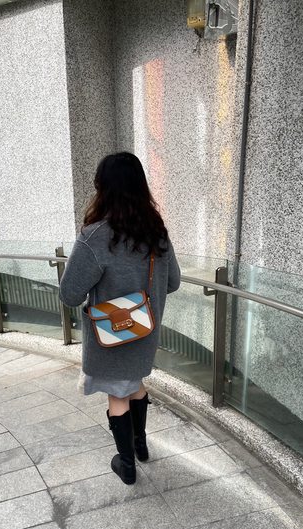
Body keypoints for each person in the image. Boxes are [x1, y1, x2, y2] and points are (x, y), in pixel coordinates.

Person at [59, 152, 180, 485]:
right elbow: (172, 282)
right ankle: (140, 446)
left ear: (103, 189)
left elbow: (69, 294)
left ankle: (126, 465)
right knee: (134, 383)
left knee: (118, 395)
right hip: (144, 330)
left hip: (110, 334)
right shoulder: (156, 232)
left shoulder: (94, 237)